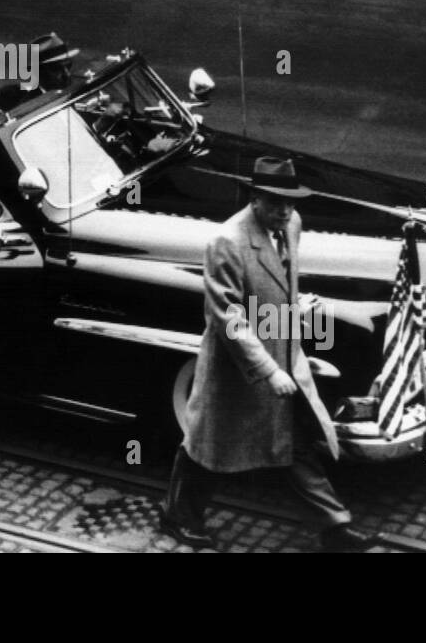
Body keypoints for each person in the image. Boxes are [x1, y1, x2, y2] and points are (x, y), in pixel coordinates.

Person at [159, 156, 378, 551]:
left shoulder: (290, 224)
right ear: (255, 198)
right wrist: (267, 369)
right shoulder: (227, 242)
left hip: (284, 352)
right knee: (208, 447)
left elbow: (281, 278)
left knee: (293, 444)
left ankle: (334, 527)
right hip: (235, 370)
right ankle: (178, 516)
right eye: (276, 203)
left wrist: (295, 308)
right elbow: (227, 317)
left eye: (291, 203)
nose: (285, 211)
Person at [0, 31, 79, 110]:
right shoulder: (27, 106)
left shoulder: (80, 88)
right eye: (56, 68)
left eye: (68, 65)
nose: (66, 73)